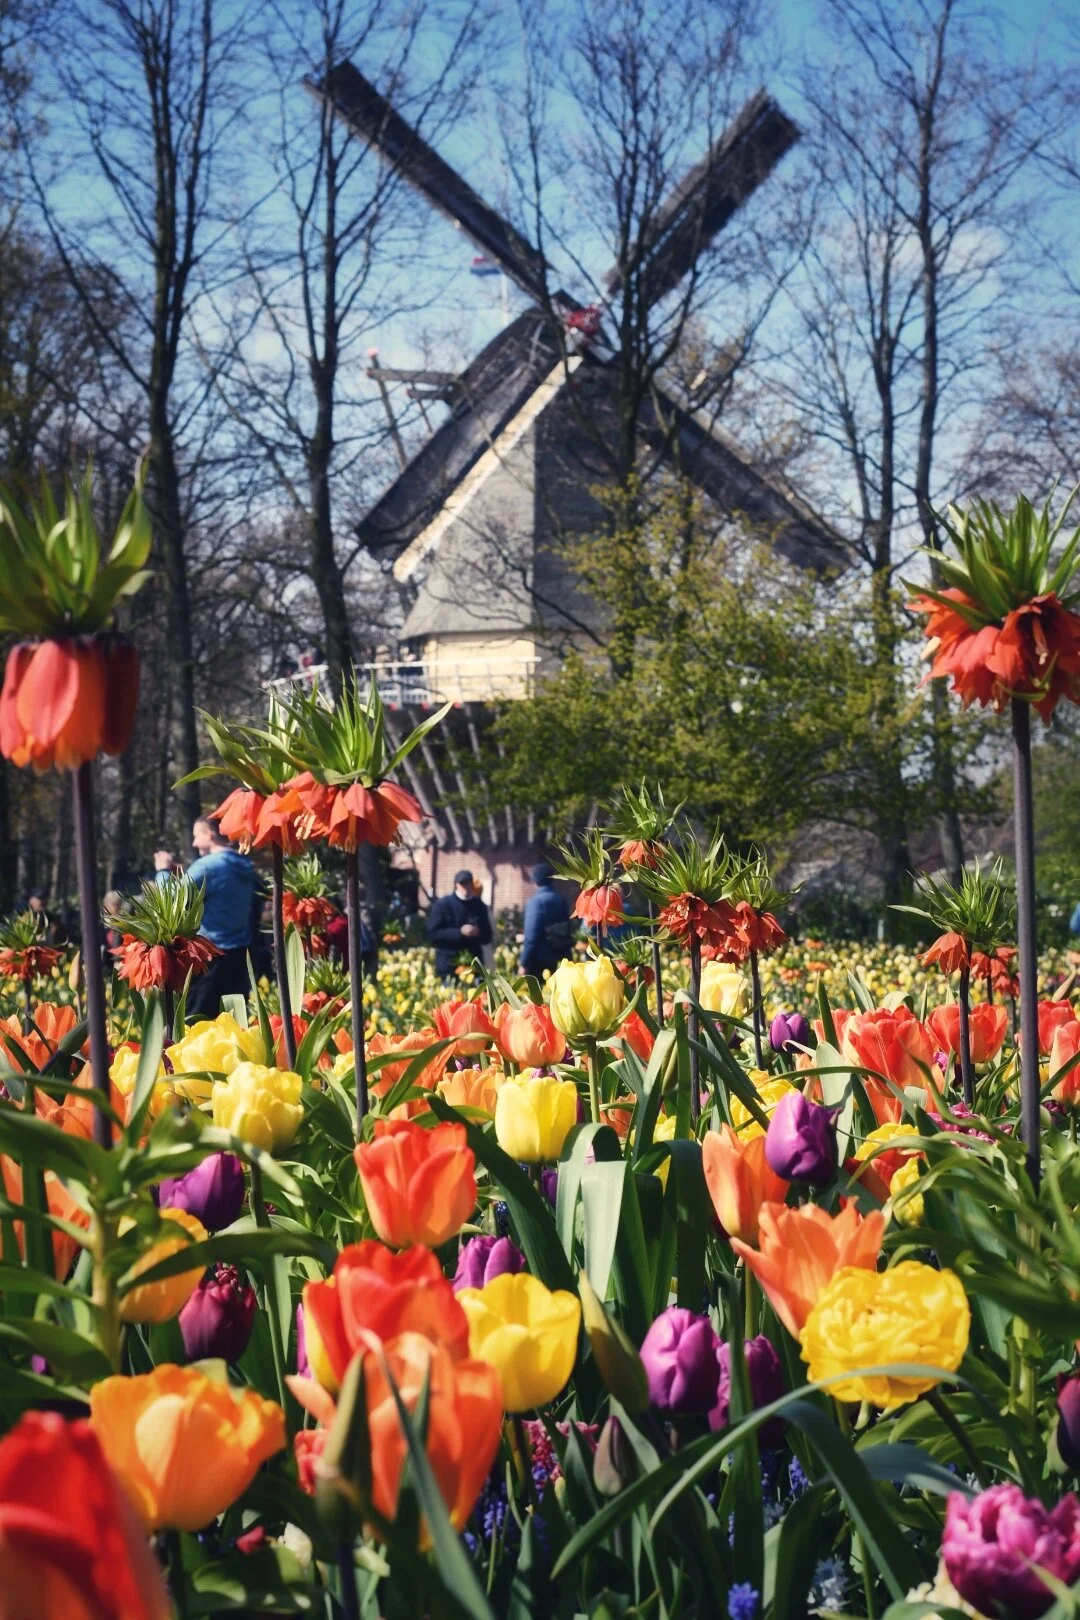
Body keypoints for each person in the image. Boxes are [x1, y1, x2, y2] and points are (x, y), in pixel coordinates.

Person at [157, 817, 257, 1018]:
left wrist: (162, 871)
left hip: (210, 959)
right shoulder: (244, 865)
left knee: (197, 1020)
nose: (193, 843)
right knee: (232, 1022)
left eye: (196, 836)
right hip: (240, 958)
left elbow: (169, 898)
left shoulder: (207, 866)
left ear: (209, 835)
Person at [426, 869, 492, 980]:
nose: (466, 887)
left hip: (473, 967)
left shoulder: (480, 906)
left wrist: (478, 932)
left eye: (468, 884)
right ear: (456, 885)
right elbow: (432, 935)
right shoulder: (442, 905)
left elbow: (488, 937)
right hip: (448, 966)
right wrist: (459, 932)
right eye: (463, 884)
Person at [520, 861, 573, 980]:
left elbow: (531, 937)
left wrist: (524, 963)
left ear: (535, 881)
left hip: (539, 961)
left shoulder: (536, 902)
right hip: (561, 957)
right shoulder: (561, 900)